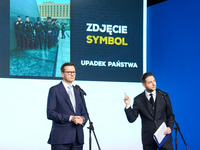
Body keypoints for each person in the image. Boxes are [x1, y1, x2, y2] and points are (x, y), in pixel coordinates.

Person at [124, 72, 174, 150]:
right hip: (148, 140)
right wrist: (128, 105)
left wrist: (169, 127)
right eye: (150, 82)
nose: (153, 84)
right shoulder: (138, 100)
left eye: (154, 81)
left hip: (164, 137)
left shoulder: (164, 96)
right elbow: (132, 119)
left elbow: (170, 115)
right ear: (144, 85)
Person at [47, 62, 88, 150]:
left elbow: (85, 112)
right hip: (61, 139)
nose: (72, 74)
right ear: (62, 74)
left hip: (78, 139)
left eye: (74, 72)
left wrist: (82, 119)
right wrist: (70, 118)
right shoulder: (54, 90)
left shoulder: (79, 91)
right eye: (69, 72)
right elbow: (50, 113)